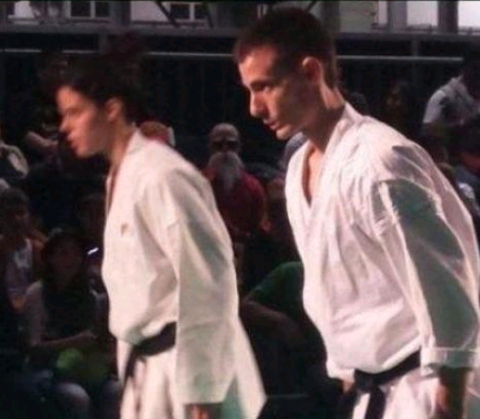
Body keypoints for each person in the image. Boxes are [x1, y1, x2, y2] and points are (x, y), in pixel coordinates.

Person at [235, 8, 480, 419]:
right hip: (370, 390)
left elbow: (449, 288)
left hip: (426, 391)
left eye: (264, 87)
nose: (254, 108)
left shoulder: (379, 162)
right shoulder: (298, 170)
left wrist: (448, 402)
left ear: (311, 72)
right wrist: (347, 373)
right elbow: (340, 295)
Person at [55, 56, 264, 419]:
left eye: (74, 112)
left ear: (111, 109)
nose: (64, 126)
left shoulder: (163, 174)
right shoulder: (121, 175)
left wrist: (204, 389)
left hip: (185, 370)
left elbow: (209, 278)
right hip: (151, 369)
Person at [22, 227, 119, 419]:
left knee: (116, 391)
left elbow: (96, 339)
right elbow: (33, 347)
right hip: (49, 369)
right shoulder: (37, 293)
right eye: (63, 253)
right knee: (77, 398)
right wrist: (73, 342)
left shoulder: (90, 296)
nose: (71, 259)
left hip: (85, 367)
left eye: (76, 254)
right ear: (50, 258)